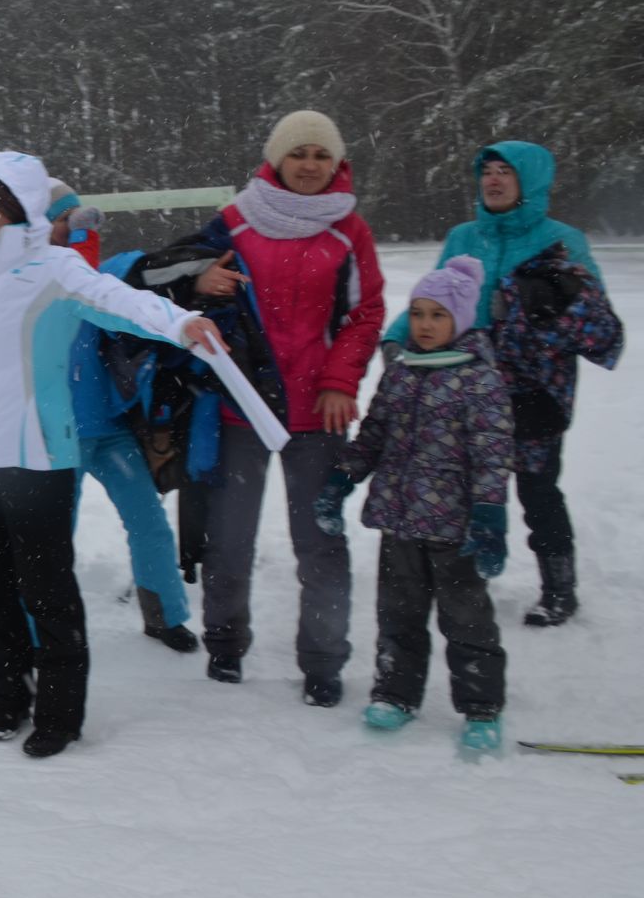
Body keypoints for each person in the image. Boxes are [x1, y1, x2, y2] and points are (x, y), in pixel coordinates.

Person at [0, 152, 221, 758]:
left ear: (15, 208)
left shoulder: (54, 268)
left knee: (48, 593)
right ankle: (7, 695)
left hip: (37, 459)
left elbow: (120, 300)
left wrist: (181, 323)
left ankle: (61, 714)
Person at [143, 110, 385, 705]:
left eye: (320, 156)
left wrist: (339, 380)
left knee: (321, 541)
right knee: (229, 537)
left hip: (317, 413)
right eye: (298, 154)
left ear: (336, 164)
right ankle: (225, 644)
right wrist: (202, 284)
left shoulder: (348, 230)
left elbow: (365, 313)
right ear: (276, 159)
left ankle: (324, 659)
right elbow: (181, 273)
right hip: (240, 406)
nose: (309, 166)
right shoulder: (235, 220)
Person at [381, 141, 623, 627]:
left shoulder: (563, 240)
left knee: (537, 491)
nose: (492, 180)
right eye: (487, 171)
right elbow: (435, 299)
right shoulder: (464, 237)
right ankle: (469, 576)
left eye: (505, 173)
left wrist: (537, 309)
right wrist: (397, 338)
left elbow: (594, 321)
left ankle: (559, 587)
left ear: (529, 182)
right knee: (465, 491)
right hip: (464, 391)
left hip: (535, 392)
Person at [316, 257, 513, 752]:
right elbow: (374, 437)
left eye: (438, 315)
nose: (425, 325)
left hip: (456, 529)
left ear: (461, 320)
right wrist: (342, 480)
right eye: (419, 314)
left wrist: (490, 517)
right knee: (398, 617)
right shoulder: (400, 374)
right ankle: (396, 694)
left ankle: (481, 706)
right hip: (400, 523)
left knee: (467, 622)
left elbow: (493, 455)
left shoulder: (480, 380)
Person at [50, 180, 198, 652]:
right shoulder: (31, 282)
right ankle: (47, 633)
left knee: (149, 523)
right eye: (61, 221)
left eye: (76, 222)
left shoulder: (105, 273)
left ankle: (165, 617)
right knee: (50, 543)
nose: (70, 230)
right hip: (56, 439)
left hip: (110, 433)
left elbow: (144, 272)